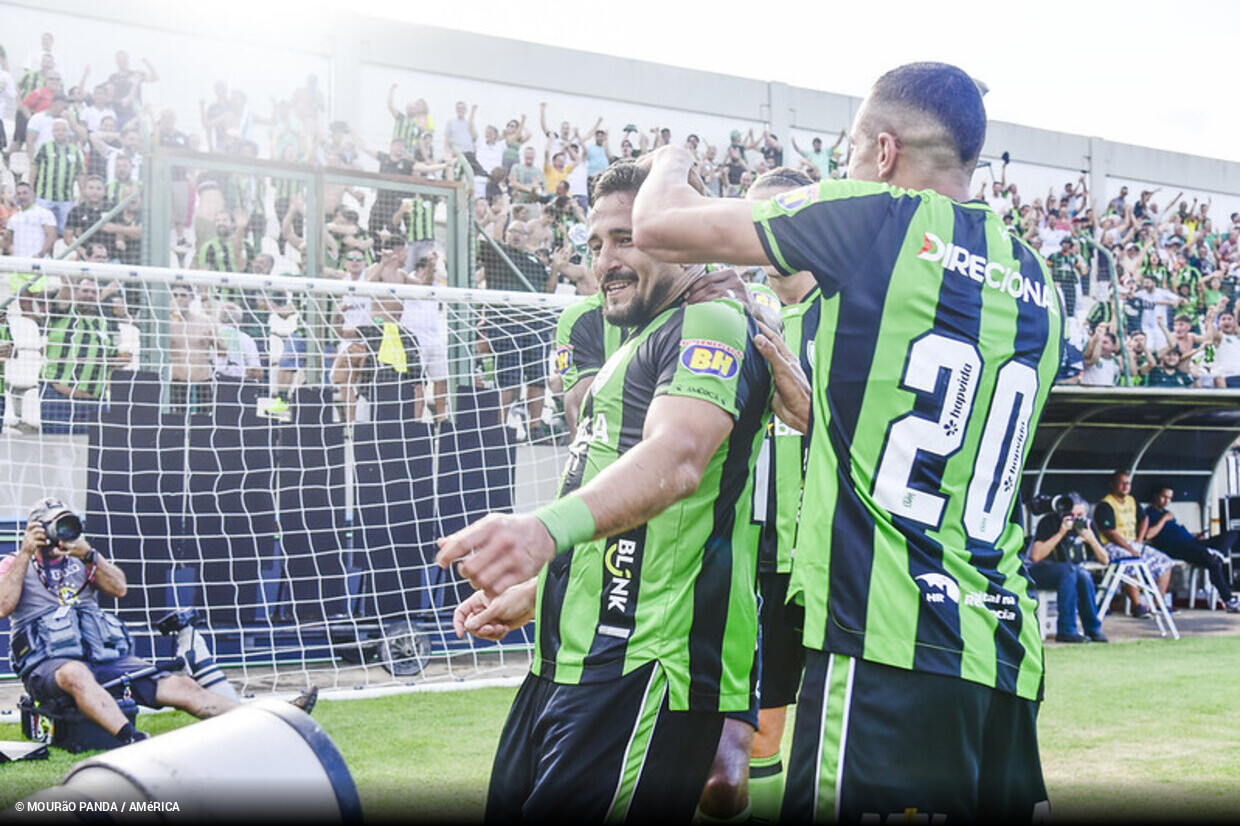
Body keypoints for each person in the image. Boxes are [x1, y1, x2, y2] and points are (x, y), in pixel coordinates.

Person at [629, 62, 1057, 821]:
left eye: (849, 151)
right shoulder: (1039, 281)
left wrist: (672, 157)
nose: (843, 169)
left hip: (885, 639)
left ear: (883, 153)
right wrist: (821, 414)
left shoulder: (873, 214)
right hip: (1002, 647)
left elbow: (656, 225)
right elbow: (943, 445)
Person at [436, 161, 771, 823]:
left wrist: (540, 531)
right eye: (595, 246)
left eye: (627, 238)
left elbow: (677, 461)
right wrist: (545, 589)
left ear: (685, 238)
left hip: (644, 663)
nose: (606, 261)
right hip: (570, 660)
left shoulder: (714, 321)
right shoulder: (639, 338)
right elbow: (632, 514)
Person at [699, 167, 820, 825]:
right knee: (755, 734)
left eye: (781, 216)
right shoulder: (736, 315)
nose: (765, 232)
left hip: (834, 557)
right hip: (761, 559)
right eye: (755, 218)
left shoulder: (847, 316)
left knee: (834, 731)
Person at [0, 499, 316, 747]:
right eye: (55, 525)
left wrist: (90, 555)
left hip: (100, 660)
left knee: (181, 684)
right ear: (35, 528)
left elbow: (119, 588)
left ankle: (275, 719)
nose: (63, 532)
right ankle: (133, 740)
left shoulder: (81, 559)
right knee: (74, 673)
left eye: (67, 524)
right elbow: (3, 606)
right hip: (48, 667)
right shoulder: (14, 562)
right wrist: (27, 551)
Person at [1143, 486, 1240, 613]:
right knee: (1212, 563)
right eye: (1164, 497)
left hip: (1193, 542)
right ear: (1156, 496)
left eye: (1169, 498)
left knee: (1233, 534)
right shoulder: (1149, 514)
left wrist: (1196, 537)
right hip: (1177, 547)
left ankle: (1217, 554)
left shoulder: (1165, 513)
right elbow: (1148, 534)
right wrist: (1165, 519)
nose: (1167, 501)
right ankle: (1229, 600)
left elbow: (1180, 533)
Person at [1026, 495, 1109, 643]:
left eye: (1080, 516)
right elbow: (1036, 557)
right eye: (1071, 515)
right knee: (1070, 571)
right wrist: (1061, 533)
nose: (1075, 519)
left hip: (1069, 573)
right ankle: (1066, 630)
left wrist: (1091, 540)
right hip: (1040, 571)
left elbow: (1105, 560)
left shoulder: (1086, 526)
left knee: (1083, 574)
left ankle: (1093, 629)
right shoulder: (1050, 522)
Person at [1093, 469, 1176, 618]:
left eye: (1128, 483)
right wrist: (1130, 548)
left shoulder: (1131, 501)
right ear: (1113, 485)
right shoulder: (1105, 504)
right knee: (1131, 562)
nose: (1126, 486)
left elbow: (1144, 519)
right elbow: (1110, 533)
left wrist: (1139, 540)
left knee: (1166, 561)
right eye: (1122, 483)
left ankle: (1157, 606)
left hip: (1133, 544)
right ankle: (1138, 607)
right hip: (1111, 547)